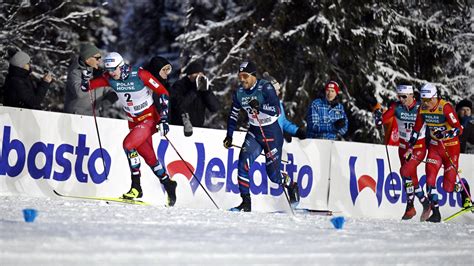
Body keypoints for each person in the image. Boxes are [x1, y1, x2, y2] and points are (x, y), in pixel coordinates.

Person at [81, 52, 177, 206]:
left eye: (114, 69)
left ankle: (136, 187)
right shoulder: (109, 78)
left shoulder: (140, 75)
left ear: (121, 66)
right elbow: (87, 87)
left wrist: (164, 118)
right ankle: (168, 183)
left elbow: (163, 92)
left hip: (149, 119)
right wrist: (85, 79)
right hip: (133, 121)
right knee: (149, 157)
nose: (112, 73)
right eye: (109, 70)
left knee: (128, 145)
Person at [222, 61, 298, 212]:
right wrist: (229, 135)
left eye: (245, 76)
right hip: (255, 133)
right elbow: (233, 115)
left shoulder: (265, 87)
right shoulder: (239, 93)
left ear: (253, 76)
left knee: (273, 176)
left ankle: (291, 184)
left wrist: (261, 106)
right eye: (240, 76)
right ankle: (246, 203)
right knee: (242, 163)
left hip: (271, 134)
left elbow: (276, 110)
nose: (242, 79)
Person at [406, 83, 469, 222]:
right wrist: (410, 148)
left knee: (447, 187)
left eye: (428, 100)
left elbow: (459, 129)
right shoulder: (422, 109)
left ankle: (463, 190)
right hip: (435, 147)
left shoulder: (445, 107)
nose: (426, 103)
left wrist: (445, 134)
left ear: (435, 97)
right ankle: (435, 212)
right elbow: (416, 130)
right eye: (423, 100)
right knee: (429, 179)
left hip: (451, 148)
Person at [373, 85, 430, 220]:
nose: (401, 99)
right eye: (399, 96)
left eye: (404, 96)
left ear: (412, 96)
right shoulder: (396, 107)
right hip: (403, 147)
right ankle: (425, 203)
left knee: (404, 172)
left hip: (418, 147)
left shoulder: (421, 108)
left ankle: (410, 206)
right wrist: (378, 117)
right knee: (412, 178)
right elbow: (382, 120)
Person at [64, 43, 117, 116]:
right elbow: (79, 93)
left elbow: (108, 89)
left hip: (93, 117)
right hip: (75, 116)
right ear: (87, 59)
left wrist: (111, 97)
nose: (99, 61)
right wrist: (96, 80)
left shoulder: (98, 72)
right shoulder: (75, 72)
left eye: (100, 58)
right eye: (97, 58)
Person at [169, 61, 219, 136]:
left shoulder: (203, 87)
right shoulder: (179, 85)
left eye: (201, 74)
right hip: (178, 129)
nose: (199, 77)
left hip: (197, 130)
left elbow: (215, 108)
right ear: (189, 76)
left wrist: (207, 92)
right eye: (196, 74)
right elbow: (180, 105)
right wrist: (195, 90)